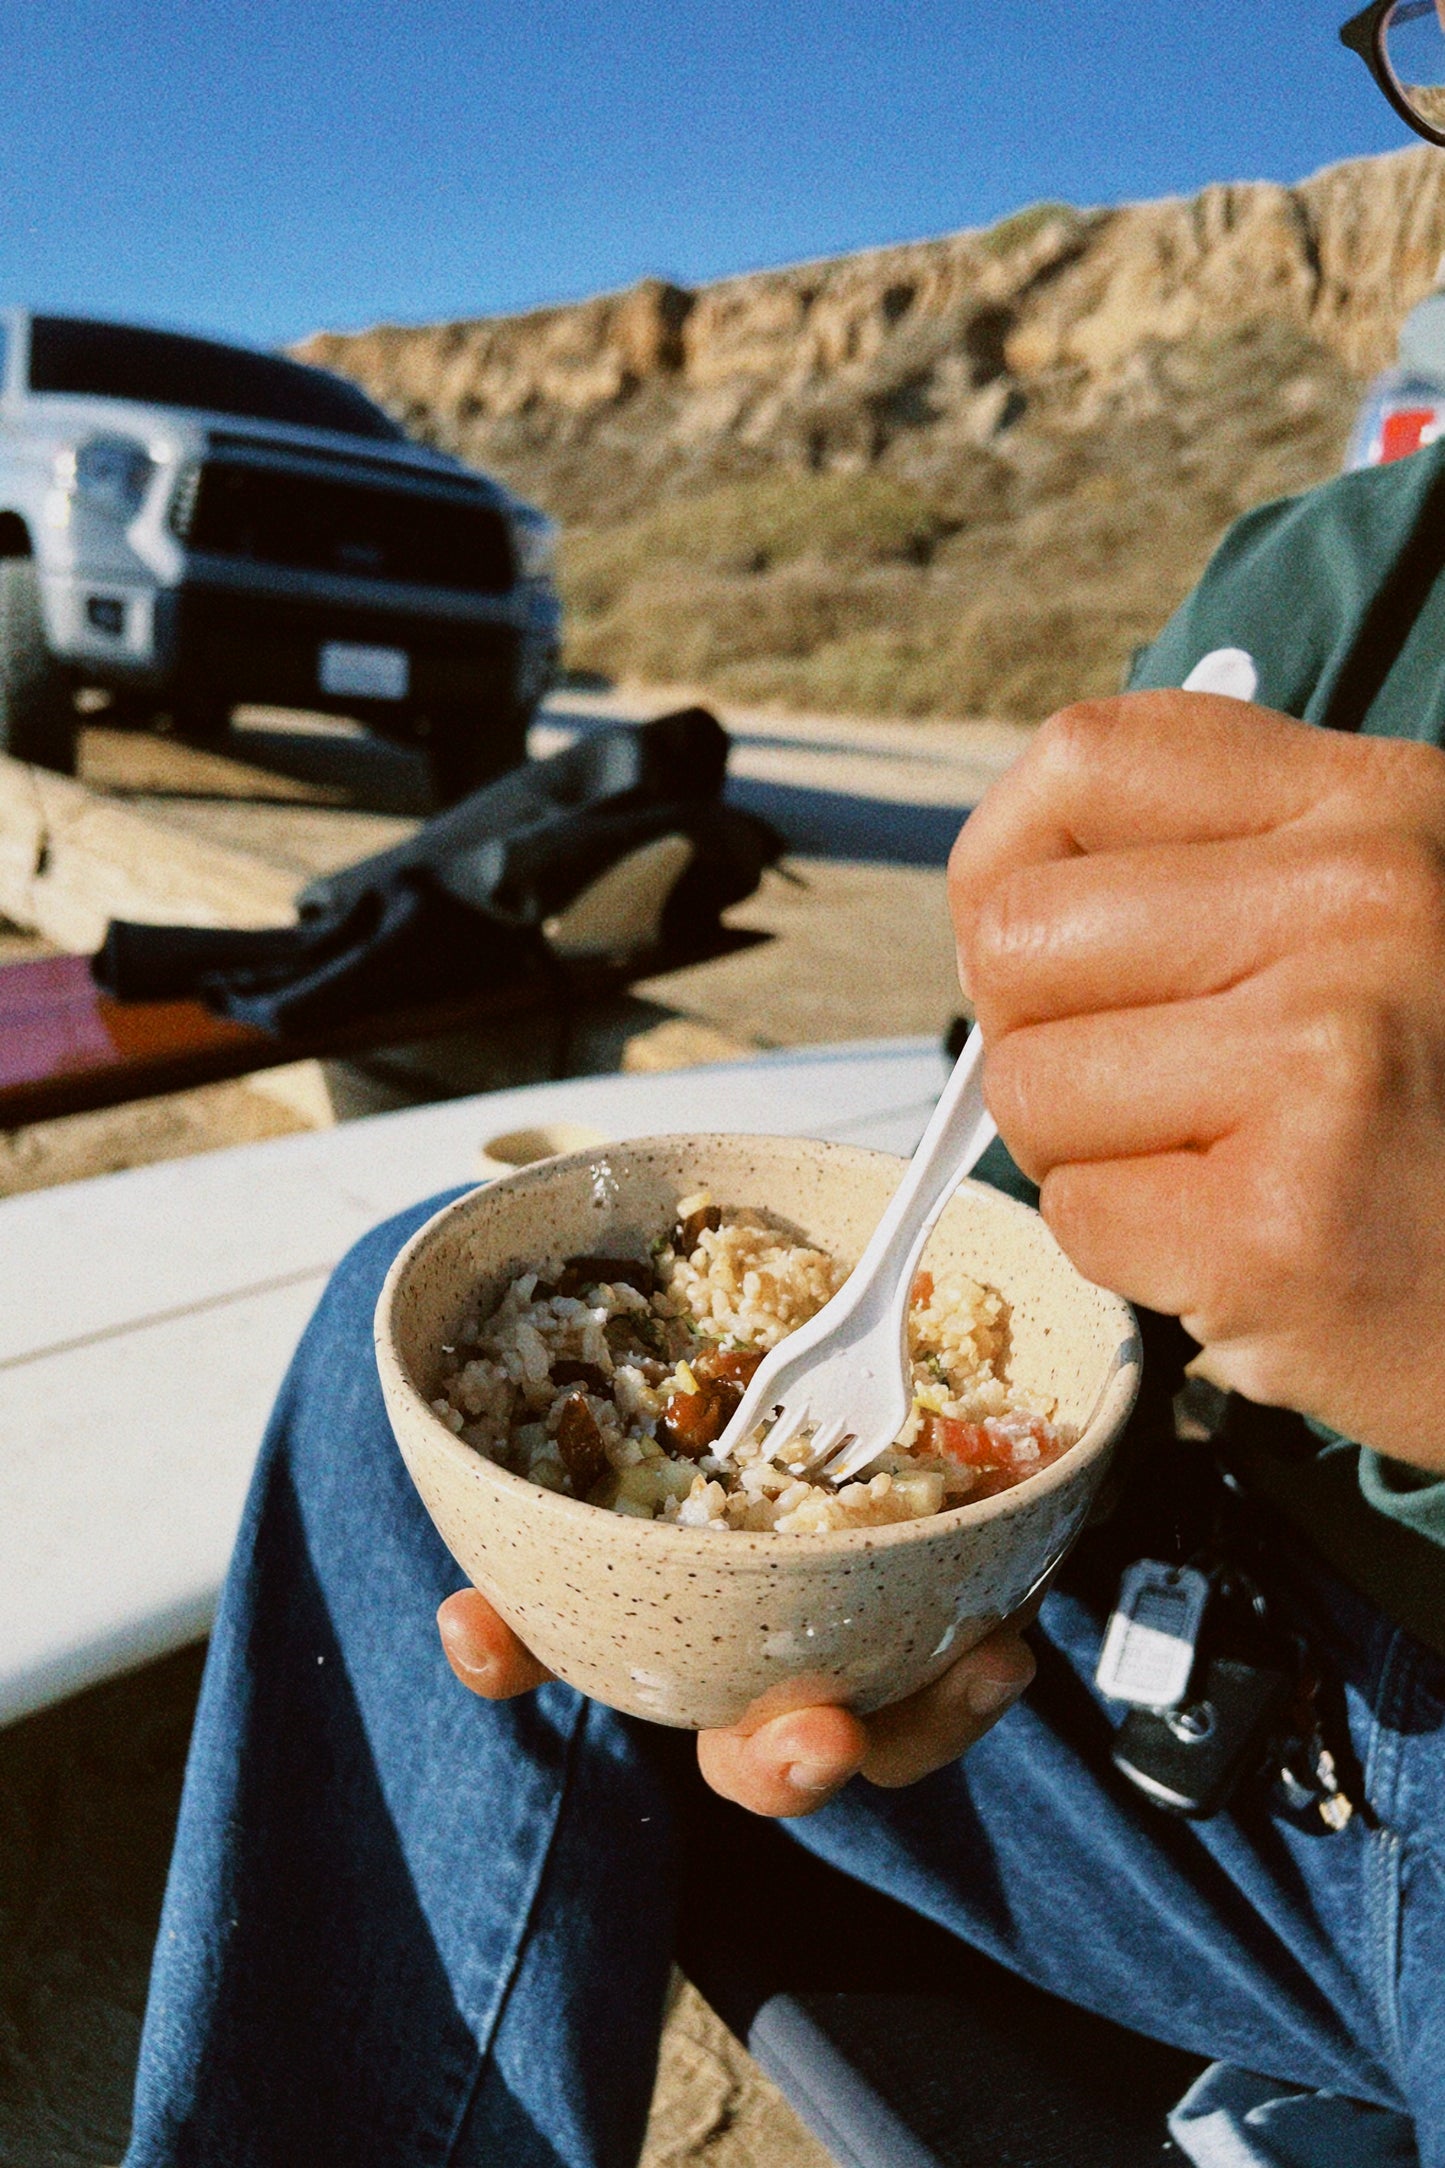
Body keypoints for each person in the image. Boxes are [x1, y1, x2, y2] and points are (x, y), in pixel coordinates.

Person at [123, 24, 1445, 2168]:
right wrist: (975, 1536)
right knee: (416, 1375)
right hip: (1227, 1720)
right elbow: (1024, 1215)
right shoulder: (1319, 588)